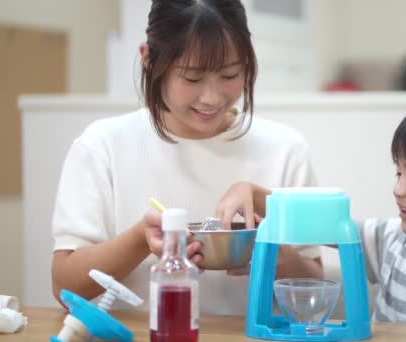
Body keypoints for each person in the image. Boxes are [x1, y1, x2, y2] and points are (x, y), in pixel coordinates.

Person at [51, 0, 322, 315]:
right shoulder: (102, 146)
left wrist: (282, 260)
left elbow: (314, 282)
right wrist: (141, 240)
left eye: (230, 74)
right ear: (149, 60)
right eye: (192, 79)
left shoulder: (285, 148)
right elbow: (64, 286)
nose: (211, 97)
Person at [225, 91, 406, 327]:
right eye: (398, 174)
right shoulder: (391, 239)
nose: (398, 189)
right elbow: (321, 223)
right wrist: (253, 192)